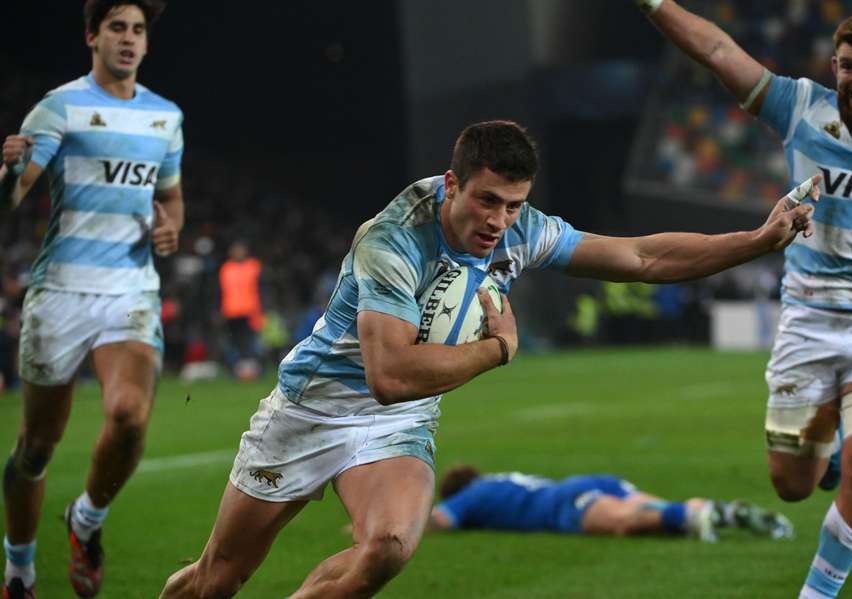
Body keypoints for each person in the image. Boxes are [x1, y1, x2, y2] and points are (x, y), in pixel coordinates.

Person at [160, 120, 817, 599]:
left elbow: (640, 258)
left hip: (397, 423)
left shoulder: (520, 228)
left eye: (513, 204)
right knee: (219, 576)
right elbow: (388, 374)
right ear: (452, 184)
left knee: (387, 546)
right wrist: (494, 349)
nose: (500, 219)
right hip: (314, 406)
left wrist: (757, 240)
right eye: (486, 200)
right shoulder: (393, 238)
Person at [635, 2, 852, 597]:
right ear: (834, 65)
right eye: (850, 66)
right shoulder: (800, 106)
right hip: (809, 316)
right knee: (792, 484)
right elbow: (716, 51)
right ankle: (825, 451)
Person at [0, 1, 183, 597]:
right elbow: (13, 198)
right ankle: (20, 570)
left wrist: (170, 228)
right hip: (60, 294)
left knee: (129, 416)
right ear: (92, 37)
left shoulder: (166, 118)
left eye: (138, 30)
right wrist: (9, 174)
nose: (129, 39)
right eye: (117, 28)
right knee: (35, 449)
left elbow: (171, 199)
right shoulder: (61, 106)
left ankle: (86, 520)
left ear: (147, 44)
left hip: (129, 291)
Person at [428, 465, 794, 543]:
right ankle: (727, 512)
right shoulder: (499, 479)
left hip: (564, 502)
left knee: (623, 522)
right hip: (591, 481)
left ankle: (694, 516)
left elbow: (440, 519)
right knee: (659, 509)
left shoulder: (470, 496)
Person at [218, 241, 263, 378]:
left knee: (251, 343)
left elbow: (262, 288)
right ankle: (236, 370)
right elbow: (220, 291)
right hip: (231, 312)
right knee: (234, 343)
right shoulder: (226, 268)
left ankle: (255, 370)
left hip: (250, 311)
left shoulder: (253, 266)